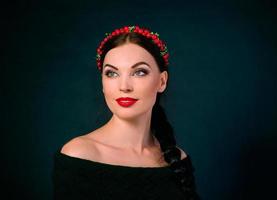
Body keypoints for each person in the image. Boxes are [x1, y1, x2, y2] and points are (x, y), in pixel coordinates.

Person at [52, 25, 201, 200]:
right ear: (102, 83)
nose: (124, 86)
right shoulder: (79, 155)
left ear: (162, 81)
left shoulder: (177, 159)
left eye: (139, 72)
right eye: (112, 73)